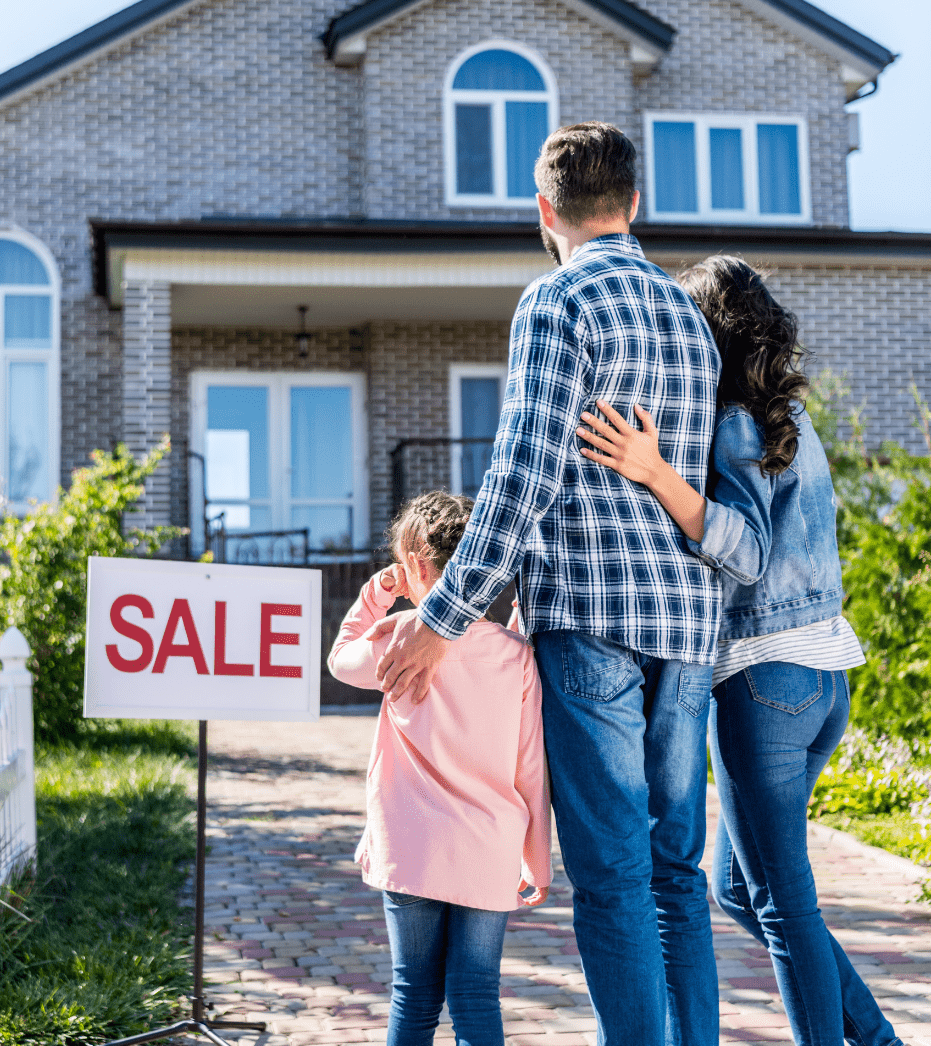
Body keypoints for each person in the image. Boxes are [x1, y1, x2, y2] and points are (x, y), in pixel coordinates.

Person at [373, 123, 723, 1045]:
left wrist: (441, 616)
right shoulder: (692, 318)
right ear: (634, 203)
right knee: (676, 877)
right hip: (687, 628)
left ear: (545, 211)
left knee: (613, 880)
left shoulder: (557, 299)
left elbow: (522, 473)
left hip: (594, 626)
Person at [576, 254, 902, 1046]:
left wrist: (655, 473)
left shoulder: (732, 425)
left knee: (787, 907)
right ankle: (877, 1036)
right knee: (734, 889)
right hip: (823, 683)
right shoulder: (796, 420)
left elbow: (748, 552)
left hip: (764, 684)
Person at [327, 490, 552, 1046]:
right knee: (476, 993)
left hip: (412, 843)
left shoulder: (397, 637)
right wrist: (537, 861)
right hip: (488, 846)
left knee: (415, 993)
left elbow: (340, 658)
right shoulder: (515, 654)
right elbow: (530, 770)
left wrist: (377, 594)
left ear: (415, 565)